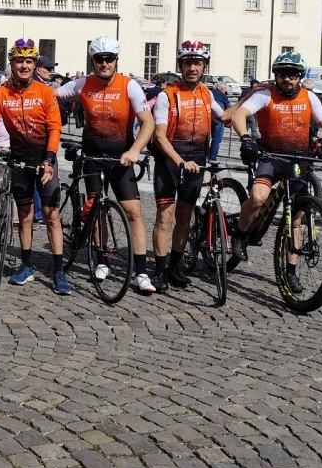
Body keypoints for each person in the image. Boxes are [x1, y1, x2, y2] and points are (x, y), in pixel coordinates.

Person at [227, 52, 322, 290]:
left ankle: (290, 270)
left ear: (300, 77)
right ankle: (240, 234)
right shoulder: (265, 95)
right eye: (282, 74)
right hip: (270, 156)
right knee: (259, 197)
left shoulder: (310, 98)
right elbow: (240, 114)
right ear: (276, 76)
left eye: (292, 75)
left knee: (296, 217)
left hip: (297, 160)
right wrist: (246, 138)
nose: (287, 79)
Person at [56, 36, 155, 292]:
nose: (104, 63)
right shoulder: (81, 84)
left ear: (116, 60)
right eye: (99, 59)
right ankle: (102, 260)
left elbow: (148, 122)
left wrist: (134, 150)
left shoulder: (129, 85)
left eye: (109, 59)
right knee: (97, 208)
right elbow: (51, 95)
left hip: (121, 157)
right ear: (93, 61)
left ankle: (142, 273)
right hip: (91, 157)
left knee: (133, 211)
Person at [0, 39, 67, 293]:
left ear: (34, 64)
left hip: (44, 159)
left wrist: (49, 158)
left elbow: (54, 128)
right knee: (24, 217)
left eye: (28, 61)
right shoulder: (1, 93)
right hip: (19, 160)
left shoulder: (45, 92)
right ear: (12, 64)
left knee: (51, 216)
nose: (24, 66)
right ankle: (26, 267)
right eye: (19, 61)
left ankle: (58, 272)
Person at [150, 42, 225, 292]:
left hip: (197, 160)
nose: (192, 68)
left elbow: (224, 117)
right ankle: (159, 271)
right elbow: (160, 136)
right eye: (187, 63)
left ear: (204, 66)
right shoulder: (167, 95)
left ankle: (175, 266)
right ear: (180, 66)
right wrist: (179, 162)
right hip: (171, 160)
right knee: (165, 217)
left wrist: (257, 94)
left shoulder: (206, 93)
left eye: (198, 63)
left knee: (184, 215)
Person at [209, 82, 229, 162]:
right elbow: (229, 106)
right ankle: (212, 157)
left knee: (206, 138)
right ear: (222, 89)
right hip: (218, 118)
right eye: (225, 89)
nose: (225, 91)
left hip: (209, 117)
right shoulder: (223, 95)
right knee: (216, 139)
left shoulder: (210, 93)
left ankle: (206, 154)